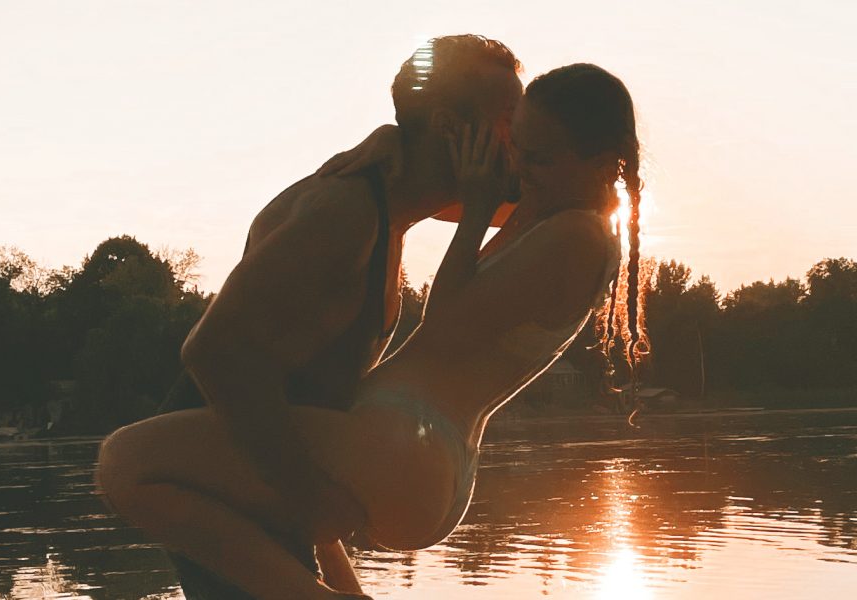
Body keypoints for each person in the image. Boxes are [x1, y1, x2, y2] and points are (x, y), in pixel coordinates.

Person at [97, 63, 648, 599]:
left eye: (536, 156)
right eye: (515, 141)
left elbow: (447, 319)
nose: (516, 164)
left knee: (126, 463)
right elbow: (429, 188)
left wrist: (477, 207)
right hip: (408, 451)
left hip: (406, 445)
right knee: (226, 487)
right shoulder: (556, 207)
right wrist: (392, 138)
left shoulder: (575, 235)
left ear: (600, 163)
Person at [129, 35, 523, 600]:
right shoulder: (347, 212)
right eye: (512, 118)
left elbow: (536, 204)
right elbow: (214, 352)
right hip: (224, 487)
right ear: (448, 127)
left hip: (269, 488)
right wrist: (310, 500)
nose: (525, 137)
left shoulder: (393, 196)